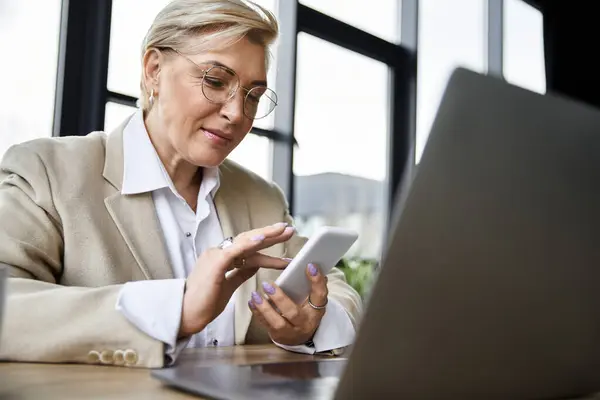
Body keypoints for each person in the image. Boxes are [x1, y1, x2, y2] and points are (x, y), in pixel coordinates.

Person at [0, 0, 362, 368]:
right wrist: (175, 310)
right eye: (216, 81)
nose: (237, 114)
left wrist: (311, 323)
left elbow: (333, 287)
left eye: (252, 96)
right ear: (154, 69)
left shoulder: (261, 197)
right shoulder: (46, 171)